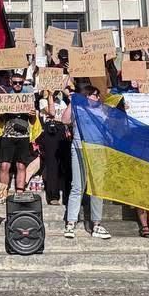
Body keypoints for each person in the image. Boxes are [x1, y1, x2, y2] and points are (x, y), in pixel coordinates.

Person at [63, 86, 111, 240]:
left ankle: (96, 224)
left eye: (98, 95)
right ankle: (71, 223)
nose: (97, 98)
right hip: (79, 149)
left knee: (97, 188)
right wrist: (72, 102)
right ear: (87, 96)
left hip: (97, 150)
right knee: (77, 186)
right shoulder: (78, 110)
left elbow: (112, 126)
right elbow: (64, 120)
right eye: (95, 95)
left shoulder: (102, 110)